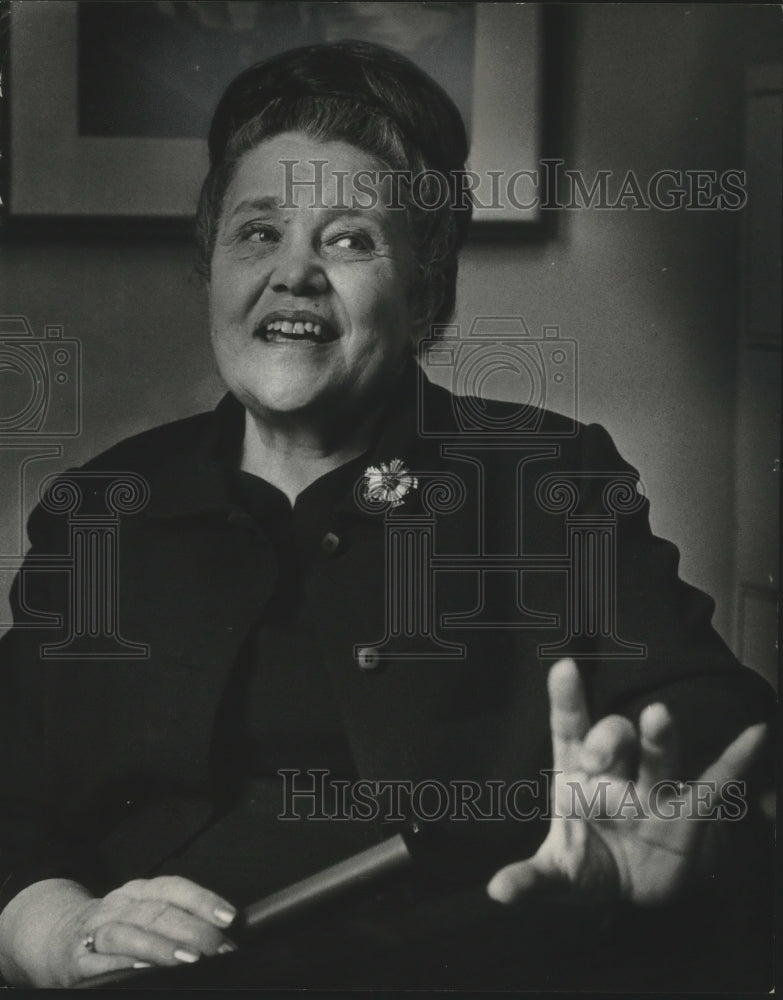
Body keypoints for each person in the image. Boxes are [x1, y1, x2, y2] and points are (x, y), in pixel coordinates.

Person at [0, 40, 773, 989]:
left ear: (424, 293)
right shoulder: (97, 511)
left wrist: (648, 803)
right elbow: (11, 792)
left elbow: (708, 707)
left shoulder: (546, 478)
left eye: (349, 238)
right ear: (211, 268)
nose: (294, 273)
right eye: (257, 232)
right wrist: (56, 928)